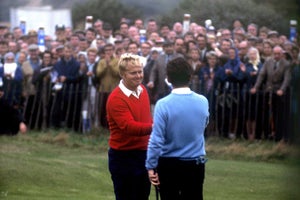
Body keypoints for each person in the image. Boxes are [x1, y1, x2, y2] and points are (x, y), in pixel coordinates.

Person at [146, 57, 209, 200]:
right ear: (190, 77)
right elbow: (203, 125)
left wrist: (150, 165)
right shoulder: (203, 101)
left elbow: (156, 139)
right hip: (195, 163)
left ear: (168, 78)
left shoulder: (163, 104)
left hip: (169, 163)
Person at [106, 53, 153, 200]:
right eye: (133, 73)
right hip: (123, 157)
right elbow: (129, 127)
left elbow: (145, 119)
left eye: (140, 71)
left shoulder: (143, 91)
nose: (139, 76)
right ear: (122, 74)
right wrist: (156, 127)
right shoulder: (116, 98)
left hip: (144, 154)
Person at [250, 45, 291, 142]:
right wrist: (256, 87)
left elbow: (286, 79)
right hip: (268, 91)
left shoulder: (286, 64)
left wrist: (282, 89)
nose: (276, 56)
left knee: (278, 115)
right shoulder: (268, 61)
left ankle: (278, 136)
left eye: (278, 54)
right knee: (264, 113)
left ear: (282, 54)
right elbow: (262, 75)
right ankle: (263, 135)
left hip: (278, 92)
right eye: (275, 54)